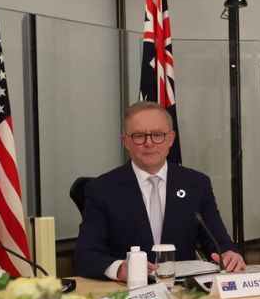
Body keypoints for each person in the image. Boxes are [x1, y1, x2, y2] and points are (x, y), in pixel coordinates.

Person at [73, 102, 246, 281]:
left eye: (157, 135)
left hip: (183, 293)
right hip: (128, 294)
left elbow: (220, 242)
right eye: (139, 136)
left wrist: (230, 255)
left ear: (171, 138)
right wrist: (119, 269)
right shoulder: (103, 189)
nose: (149, 143)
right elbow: (85, 256)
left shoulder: (196, 184)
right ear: (126, 142)